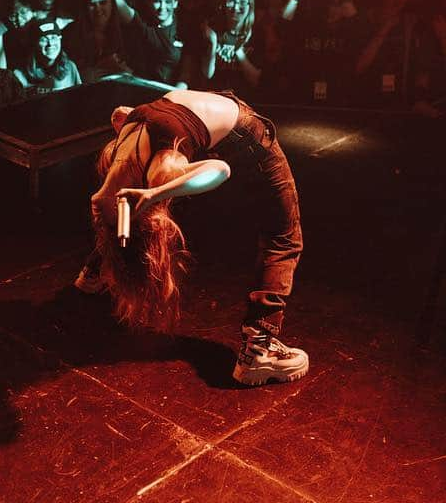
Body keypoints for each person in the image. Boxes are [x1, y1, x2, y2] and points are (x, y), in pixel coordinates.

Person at [76, 87, 307, 386]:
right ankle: (259, 350)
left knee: (115, 224)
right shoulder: (157, 163)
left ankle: (93, 275)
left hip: (214, 127)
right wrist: (154, 193)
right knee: (284, 234)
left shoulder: (104, 194)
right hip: (247, 139)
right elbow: (219, 169)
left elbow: (109, 221)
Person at [12, 21, 83, 95]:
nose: (50, 43)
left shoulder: (70, 67)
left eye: (54, 38)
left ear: (60, 39)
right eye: (44, 39)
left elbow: (80, 98)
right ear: (35, 44)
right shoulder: (20, 74)